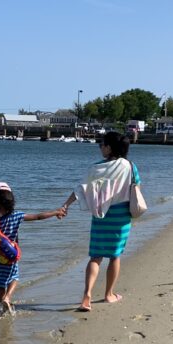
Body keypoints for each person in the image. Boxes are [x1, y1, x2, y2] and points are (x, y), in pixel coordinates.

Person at [62, 132, 140, 312]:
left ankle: (86, 295)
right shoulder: (129, 166)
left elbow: (80, 190)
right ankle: (109, 294)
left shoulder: (96, 168)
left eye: (102, 144)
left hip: (100, 215)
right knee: (115, 256)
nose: (100, 147)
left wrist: (65, 205)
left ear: (110, 147)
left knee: (95, 257)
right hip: (121, 216)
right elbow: (136, 189)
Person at [0, 182, 66, 316]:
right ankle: (8, 298)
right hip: (10, 254)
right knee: (14, 277)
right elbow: (38, 217)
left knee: (0, 283)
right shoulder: (17, 216)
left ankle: (2, 306)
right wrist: (56, 212)